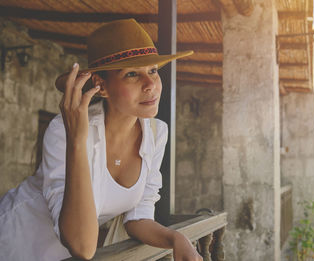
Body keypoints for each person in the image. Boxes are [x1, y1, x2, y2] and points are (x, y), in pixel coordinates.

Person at [0, 19, 202, 261]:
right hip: (16, 239)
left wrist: (176, 239)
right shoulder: (65, 131)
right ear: (101, 86)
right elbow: (83, 246)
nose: (150, 85)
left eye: (153, 71)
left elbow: (138, 216)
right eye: (132, 74)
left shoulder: (157, 133)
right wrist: (77, 138)